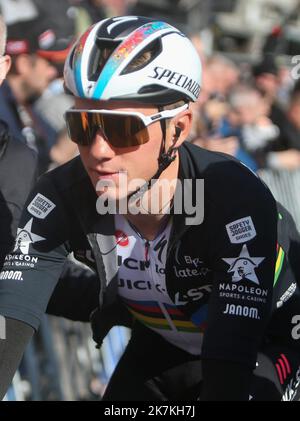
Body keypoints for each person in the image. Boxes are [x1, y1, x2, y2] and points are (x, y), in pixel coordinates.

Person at [0, 15, 299, 402]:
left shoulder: (229, 199)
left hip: (268, 341)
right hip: (165, 346)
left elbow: (229, 364)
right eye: (83, 125)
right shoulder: (61, 196)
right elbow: (10, 318)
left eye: (123, 129)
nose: (98, 151)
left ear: (178, 128)